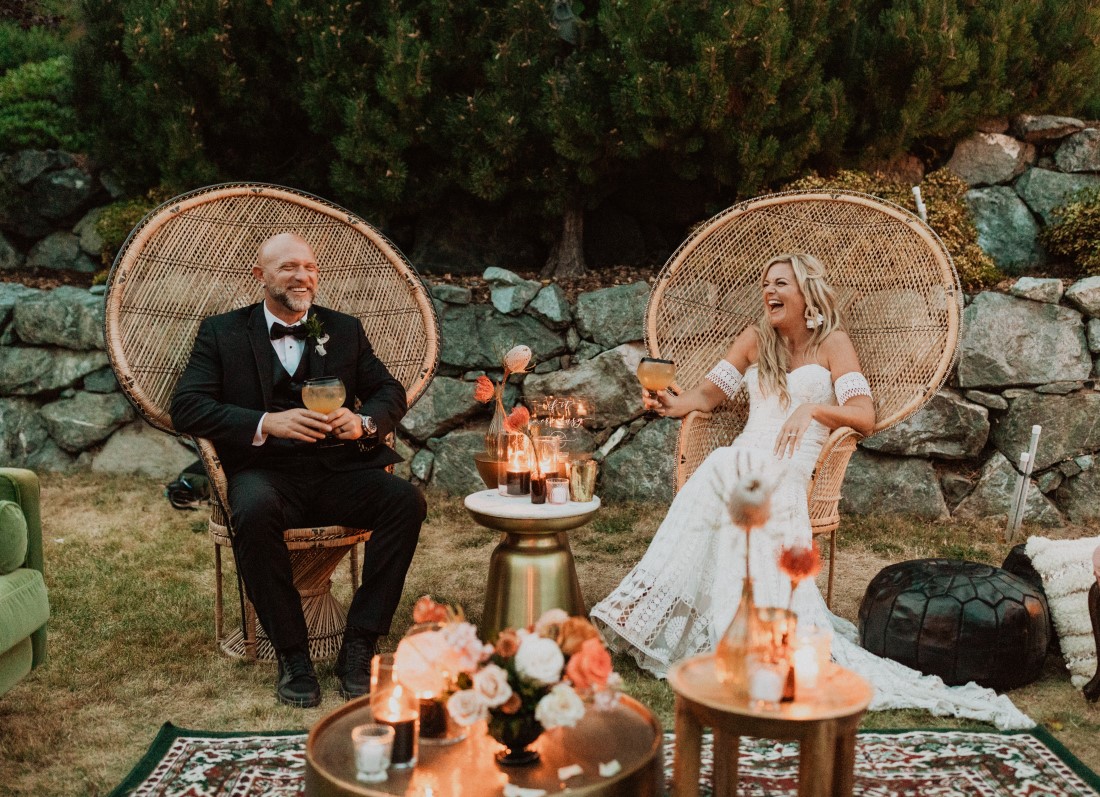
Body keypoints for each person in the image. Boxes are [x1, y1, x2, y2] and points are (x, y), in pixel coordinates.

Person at [590, 253, 1032, 729]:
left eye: (781, 283)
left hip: (791, 467)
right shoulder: (755, 339)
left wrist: (814, 411)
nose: (769, 291)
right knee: (724, 463)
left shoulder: (833, 344)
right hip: (744, 457)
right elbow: (706, 396)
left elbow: (863, 414)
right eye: (766, 283)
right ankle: (704, 624)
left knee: (727, 467)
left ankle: (744, 631)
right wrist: (669, 402)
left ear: (807, 294)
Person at [171, 232, 426, 708]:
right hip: (264, 474)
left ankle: (360, 644)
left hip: (338, 473)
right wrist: (265, 423)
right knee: (252, 509)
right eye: (288, 267)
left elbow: (388, 391)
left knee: (405, 501)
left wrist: (364, 422)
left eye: (309, 267)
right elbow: (187, 406)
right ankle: (293, 656)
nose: (302, 276)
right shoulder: (222, 332)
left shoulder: (344, 329)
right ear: (260, 275)